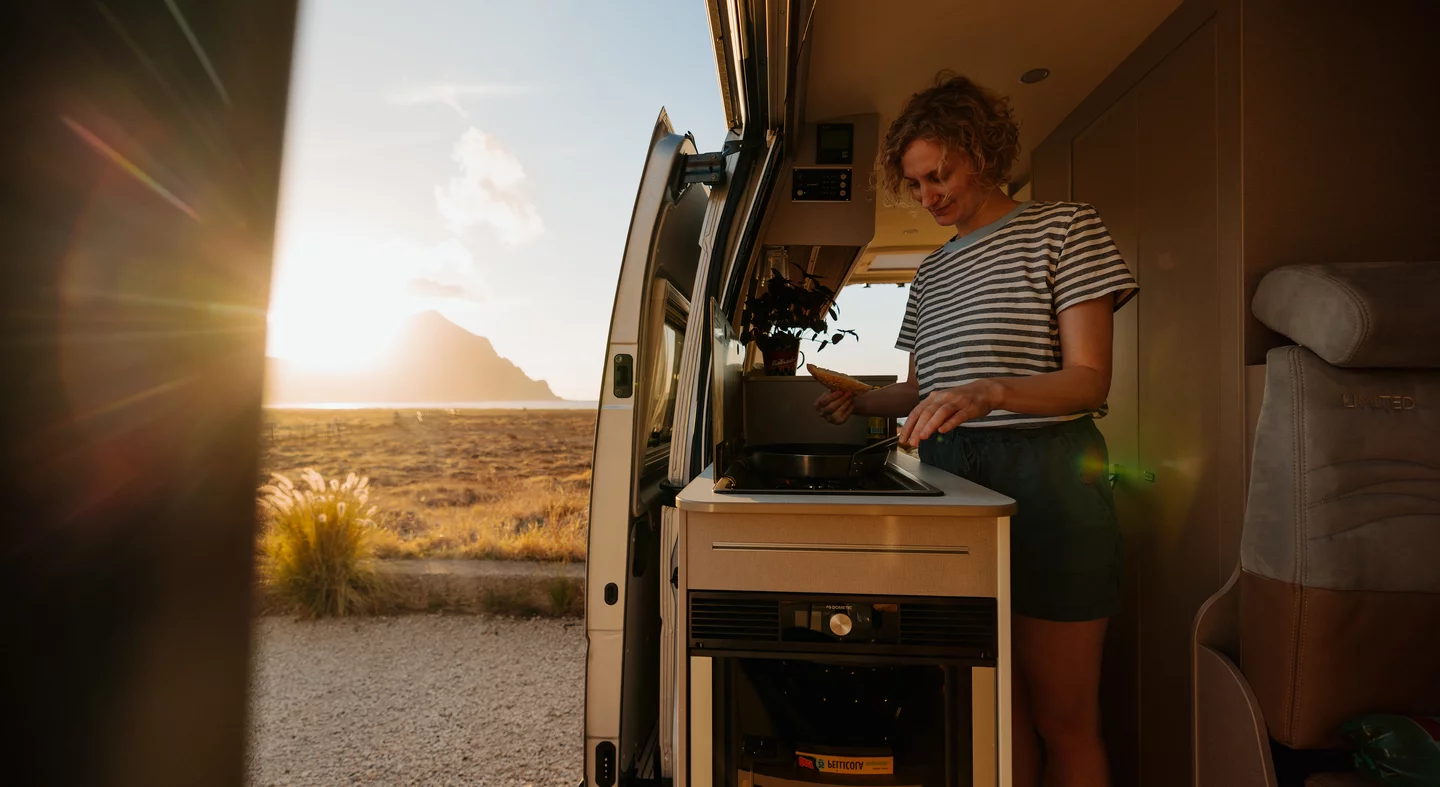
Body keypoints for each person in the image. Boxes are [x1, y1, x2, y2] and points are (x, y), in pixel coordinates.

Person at [814, 72, 1137, 787]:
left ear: (982, 152)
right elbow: (924, 390)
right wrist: (860, 402)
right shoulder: (928, 273)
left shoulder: (1065, 227)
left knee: (1066, 717)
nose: (928, 197)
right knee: (991, 707)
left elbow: (1090, 378)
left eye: (940, 175)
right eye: (917, 184)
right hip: (952, 479)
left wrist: (994, 391)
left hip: (1050, 479)